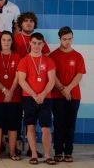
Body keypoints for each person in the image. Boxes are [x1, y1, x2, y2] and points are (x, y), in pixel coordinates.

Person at [17, 32, 56, 165]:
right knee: (31, 127)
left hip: (46, 98)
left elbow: (51, 81)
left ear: (43, 44)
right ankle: (33, 154)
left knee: (46, 128)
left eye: (39, 43)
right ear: (30, 43)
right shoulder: (24, 60)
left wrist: (43, 94)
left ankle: (46, 155)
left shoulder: (49, 61)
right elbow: (21, 81)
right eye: (34, 43)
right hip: (29, 98)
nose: (36, 46)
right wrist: (34, 95)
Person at [49, 26, 86, 163]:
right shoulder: (53, 56)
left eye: (69, 39)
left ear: (72, 38)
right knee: (58, 124)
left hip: (74, 95)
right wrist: (62, 89)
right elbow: (52, 75)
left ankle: (68, 152)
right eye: (64, 39)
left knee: (70, 124)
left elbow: (79, 74)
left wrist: (68, 88)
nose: (67, 42)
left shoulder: (78, 56)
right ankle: (58, 151)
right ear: (60, 39)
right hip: (57, 96)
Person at [0, 31, 21, 161]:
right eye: (4, 40)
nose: (6, 42)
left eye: (9, 40)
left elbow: (18, 76)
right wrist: (4, 90)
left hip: (14, 97)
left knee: (13, 126)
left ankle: (12, 152)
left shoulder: (17, 56)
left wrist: (10, 91)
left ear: (12, 42)